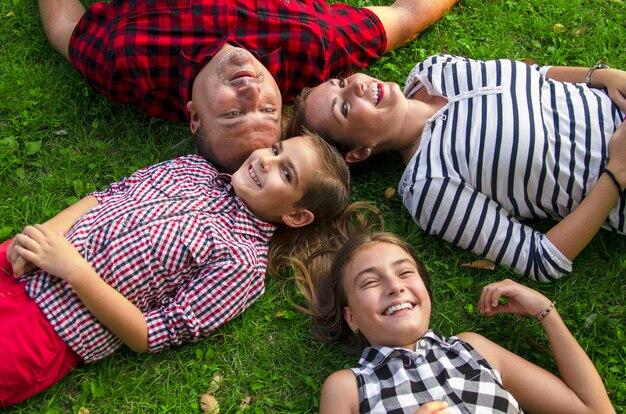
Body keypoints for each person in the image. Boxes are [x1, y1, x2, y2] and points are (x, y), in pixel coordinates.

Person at [0, 132, 350, 407]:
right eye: (275, 150)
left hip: (49, 327)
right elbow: (107, 196)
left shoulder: (242, 265)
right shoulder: (192, 167)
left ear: (297, 216)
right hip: (24, 259)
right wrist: (43, 235)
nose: (265, 162)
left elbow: (150, 334)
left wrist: (75, 271)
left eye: (285, 173)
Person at [289, 54, 626, 281]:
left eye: (342, 82)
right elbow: (540, 258)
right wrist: (615, 174)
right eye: (345, 108)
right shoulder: (429, 187)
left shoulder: (432, 69)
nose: (358, 86)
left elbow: (535, 76)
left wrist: (598, 76)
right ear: (360, 152)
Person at [38, 0, 457, 173]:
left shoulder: (128, 62)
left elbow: (65, 26)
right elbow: (405, 16)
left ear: (195, 116)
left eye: (233, 113)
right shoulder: (313, 48)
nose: (253, 92)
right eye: (269, 110)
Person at [295, 230, 614, 413]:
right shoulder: (349, 387)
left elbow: (594, 410)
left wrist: (545, 312)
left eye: (405, 272)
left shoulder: (472, 349)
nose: (395, 285)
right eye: (370, 282)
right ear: (352, 318)